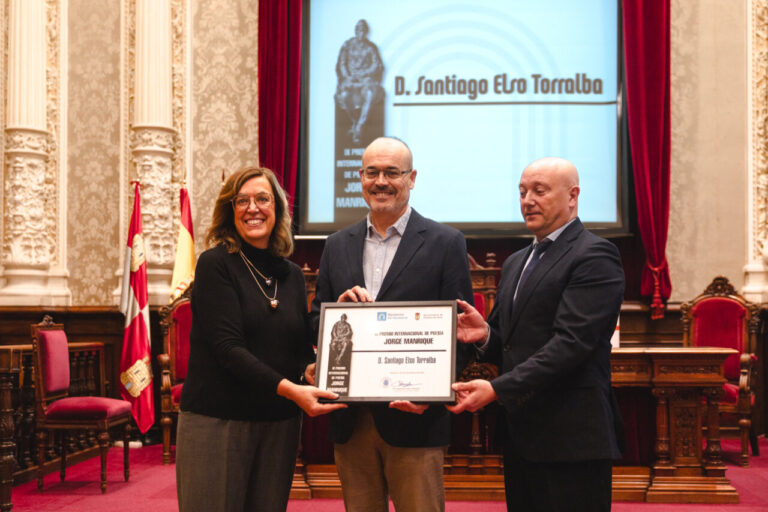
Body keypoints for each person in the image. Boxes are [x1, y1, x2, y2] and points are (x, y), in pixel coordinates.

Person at [449, 157, 625, 512]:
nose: (527, 200)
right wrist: (485, 336)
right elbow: (512, 345)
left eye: (539, 191)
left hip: (572, 438)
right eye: (522, 191)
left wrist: (497, 389)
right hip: (522, 435)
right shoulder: (517, 261)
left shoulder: (595, 255)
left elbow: (571, 344)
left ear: (572, 196)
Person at [309, 137, 474, 512]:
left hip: (414, 419)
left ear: (411, 178)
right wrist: (339, 313)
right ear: (360, 178)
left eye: (392, 173)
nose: (381, 181)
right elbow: (317, 319)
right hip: (351, 420)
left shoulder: (446, 242)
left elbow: (461, 332)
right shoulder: (336, 244)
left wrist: (431, 395)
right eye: (372, 173)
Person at [176, 166, 346, 512]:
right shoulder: (215, 265)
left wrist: (312, 369)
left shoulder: (293, 275)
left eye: (263, 199)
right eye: (242, 201)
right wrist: (291, 389)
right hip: (219, 422)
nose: (253, 208)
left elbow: (298, 350)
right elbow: (228, 349)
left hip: (279, 423)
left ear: (278, 209)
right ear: (230, 210)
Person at [335, 19, 384, 144]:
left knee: (369, 94)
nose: (361, 33)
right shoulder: (347, 45)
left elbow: (376, 64)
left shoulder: (371, 47)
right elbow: (342, 64)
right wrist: (348, 76)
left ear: (366, 32)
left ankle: (360, 126)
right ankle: (355, 122)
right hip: (350, 80)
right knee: (344, 96)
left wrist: (365, 73)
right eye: (359, 30)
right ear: (355, 31)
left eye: (363, 31)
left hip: (365, 79)